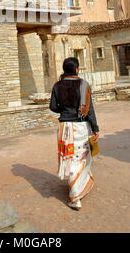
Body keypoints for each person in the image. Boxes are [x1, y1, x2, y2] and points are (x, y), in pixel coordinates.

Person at [49, 57, 99, 210]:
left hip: (65, 127)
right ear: (76, 69)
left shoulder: (57, 86)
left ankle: (74, 185)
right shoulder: (84, 85)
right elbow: (89, 111)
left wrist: (63, 111)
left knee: (70, 157)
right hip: (80, 127)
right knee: (81, 157)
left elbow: (52, 107)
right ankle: (75, 195)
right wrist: (95, 128)